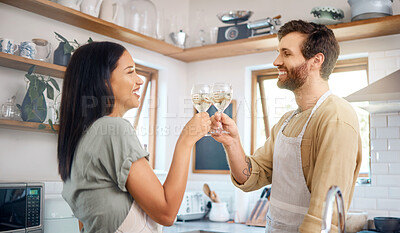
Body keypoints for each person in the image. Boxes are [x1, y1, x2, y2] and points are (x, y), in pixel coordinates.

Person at [211, 20, 362, 232]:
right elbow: (251, 177)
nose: (276, 61)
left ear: (316, 60)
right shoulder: (287, 120)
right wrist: (232, 142)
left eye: (286, 53)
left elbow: (322, 215)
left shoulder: (336, 116)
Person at [57, 41, 211, 233]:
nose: (140, 80)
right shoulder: (113, 129)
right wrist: (186, 141)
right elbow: (167, 212)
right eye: (130, 72)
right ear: (103, 80)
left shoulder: (82, 137)